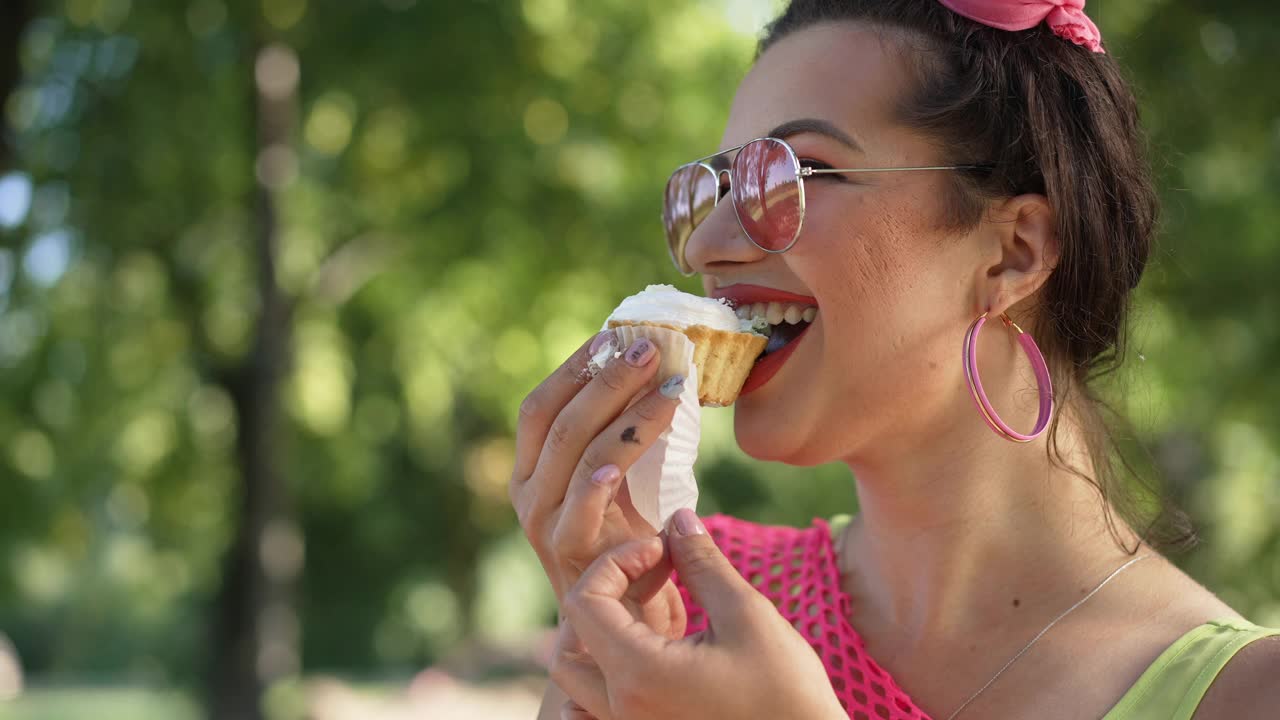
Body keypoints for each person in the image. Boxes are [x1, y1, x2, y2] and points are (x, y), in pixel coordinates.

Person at [508, 1, 1280, 718]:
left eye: (792, 174)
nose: (707, 248)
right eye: (709, 192)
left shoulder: (1249, 696)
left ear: (1013, 253)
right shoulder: (689, 609)